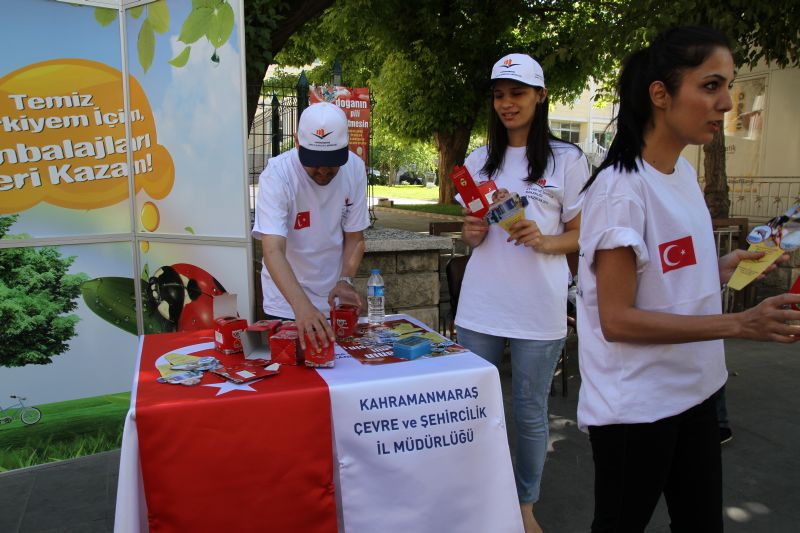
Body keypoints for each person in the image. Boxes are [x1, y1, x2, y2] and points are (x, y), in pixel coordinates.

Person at [576, 26, 800, 532]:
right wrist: (738, 324)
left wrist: (726, 268)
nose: (727, 103)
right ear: (661, 94)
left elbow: (668, 273)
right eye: (711, 86)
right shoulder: (621, 190)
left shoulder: (678, 173)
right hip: (637, 410)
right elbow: (617, 319)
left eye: (729, 87)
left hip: (698, 392)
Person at [456, 53, 590, 533]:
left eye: (516, 93)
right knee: (475, 410)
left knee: (529, 412)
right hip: (479, 308)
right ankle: (478, 500)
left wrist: (545, 240)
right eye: (499, 95)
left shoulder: (567, 159)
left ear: (541, 95)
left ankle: (524, 506)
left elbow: (582, 234)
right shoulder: (477, 161)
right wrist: (471, 233)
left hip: (538, 307)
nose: (506, 104)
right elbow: (471, 232)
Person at [252, 101, 369, 350]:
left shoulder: (355, 169)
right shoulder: (277, 175)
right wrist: (301, 307)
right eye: (315, 162)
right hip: (286, 303)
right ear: (297, 142)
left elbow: (355, 238)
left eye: (332, 161)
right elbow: (272, 250)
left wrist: (345, 280)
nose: (324, 170)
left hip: (333, 301)